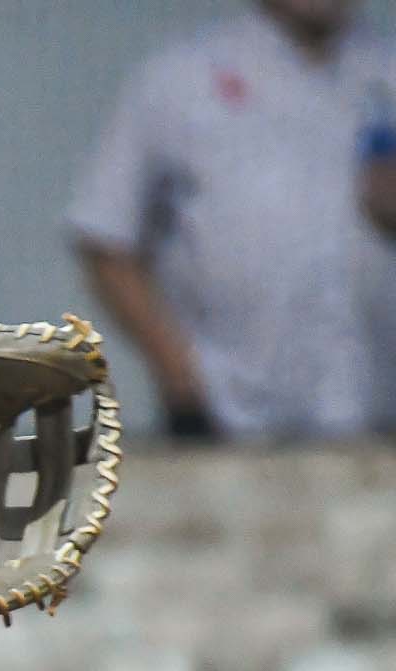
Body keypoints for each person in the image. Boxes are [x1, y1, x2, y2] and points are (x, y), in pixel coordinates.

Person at [68, 0, 396, 442]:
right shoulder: (182, 78)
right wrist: (181, 376)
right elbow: (104, 236)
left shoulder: (385, 72)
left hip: (376, 419)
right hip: (227, 421)